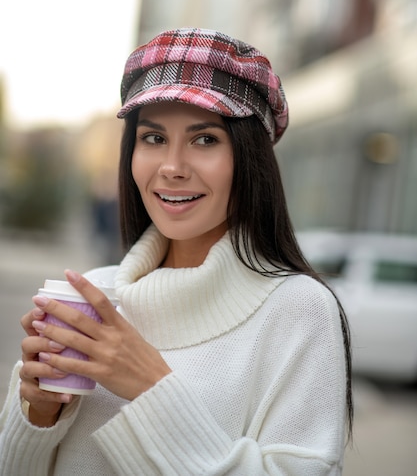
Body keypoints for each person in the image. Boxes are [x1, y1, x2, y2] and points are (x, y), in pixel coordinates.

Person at [0, 28, 353, 475]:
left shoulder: (298, 311)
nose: (172, 167)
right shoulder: (98, 295)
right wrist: (37, 413)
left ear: (250, 159)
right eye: (153, 138)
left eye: (205, 139)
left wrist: (149, 387)